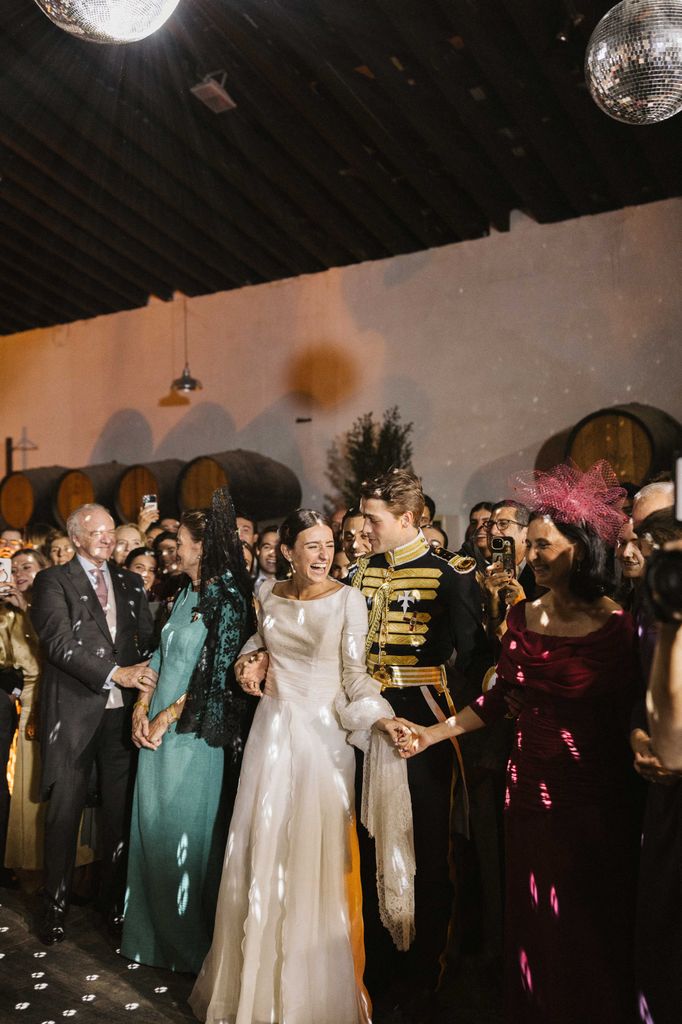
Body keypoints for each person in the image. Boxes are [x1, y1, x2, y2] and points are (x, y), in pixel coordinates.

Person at [395, 460, 640, 1024]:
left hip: (595, 794)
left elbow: (635, 708)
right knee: (531, 913)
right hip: (527, 789)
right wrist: (432, 733)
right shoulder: (522, 617)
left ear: (580, 548)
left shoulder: (618, 624)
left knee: (588, 918)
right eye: (529, 545)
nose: (532, 555)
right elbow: (497, 698)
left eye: (544, 545)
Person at [190, 509, 410, 1024]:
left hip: (323, 742)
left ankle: (310, 999)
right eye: (311, 546)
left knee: (316, 858)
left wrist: (380, 719)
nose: (323, 555)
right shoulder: (266, 593)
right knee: (260, 849)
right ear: (287, 551)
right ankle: (254, 993)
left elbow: (355, 675)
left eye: (329, 545)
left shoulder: (348, 600)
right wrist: (249, 660)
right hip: (270, 733)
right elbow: (264, 642)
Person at [353, 469, 489, 1016]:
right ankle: (379, 959)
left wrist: (441, 719)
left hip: (423, 716)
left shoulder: (450, 575)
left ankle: (428, 965)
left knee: (429, 846)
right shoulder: (359, 574)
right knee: (369, 842)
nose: (364, 527)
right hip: (367, 719)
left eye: (374, 518)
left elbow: (478, 658)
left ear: (407, 519)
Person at [122, 493, 255, 974]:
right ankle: (147, 941)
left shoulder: (230, 599)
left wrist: (166, 716)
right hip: (154, 726)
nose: (173, 547)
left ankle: (187, 948)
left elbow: (220, 676)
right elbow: (159, 655)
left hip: (194, 733)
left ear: (202, 546)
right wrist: (140, 706)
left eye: (180, 540)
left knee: (183, 837)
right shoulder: (182, 593)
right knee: (149, 831)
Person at [30, 503, 155, 945]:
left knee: (118, 816)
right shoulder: (53, 581)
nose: (108, 538)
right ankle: (55, 905)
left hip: (122, 717)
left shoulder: (130, 581)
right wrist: (113, 674)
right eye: (97, 532)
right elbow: (58, 643)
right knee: (64, 813)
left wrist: (143, 685)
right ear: (77, 537)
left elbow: (145, 640)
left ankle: (115, 906)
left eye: (110, 532)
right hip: (73, 715)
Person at [253, 525, 278, 595]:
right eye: (267, 547)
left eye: (277, 548)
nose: (273, 554)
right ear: (258, 550)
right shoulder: (246, 581)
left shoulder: (293, 583)